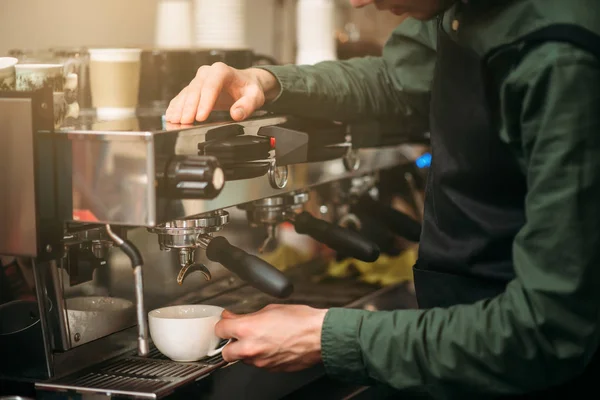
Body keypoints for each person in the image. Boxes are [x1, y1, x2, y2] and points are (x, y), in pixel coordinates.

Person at [165, 0, 600, 398]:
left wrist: (326, 337)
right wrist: (266, 82)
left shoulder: (559, 59)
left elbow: (546, 332)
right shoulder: (459, 9)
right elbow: (400, 79)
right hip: (459, 349)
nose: (356, 3)